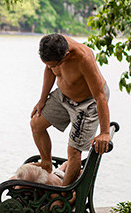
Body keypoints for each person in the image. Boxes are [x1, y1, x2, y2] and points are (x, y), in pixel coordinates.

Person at [30, 33, 110, 187]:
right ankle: (46, 163)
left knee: (74, 152)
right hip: (63, 95)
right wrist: (42, 100)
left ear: (66, 56)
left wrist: (105, 132)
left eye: (54, 65)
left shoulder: (84, 59)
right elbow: (48, 70)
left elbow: (100, 96)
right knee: (36, 125)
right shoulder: (51, 45)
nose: (51, 68)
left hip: (87, 102)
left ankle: (63, 195)